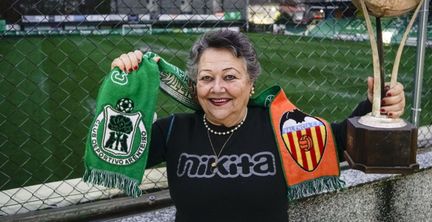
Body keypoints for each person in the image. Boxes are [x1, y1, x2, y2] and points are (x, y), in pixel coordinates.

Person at [111, 30, 405, 221]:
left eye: (230, 77)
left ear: (250, 84)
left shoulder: (280, 126)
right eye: (206, 78)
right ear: (196, 84)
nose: (217, 88)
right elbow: (124, 154)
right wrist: (128, 86)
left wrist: (377, 105)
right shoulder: (174, 129)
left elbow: (341, 139)